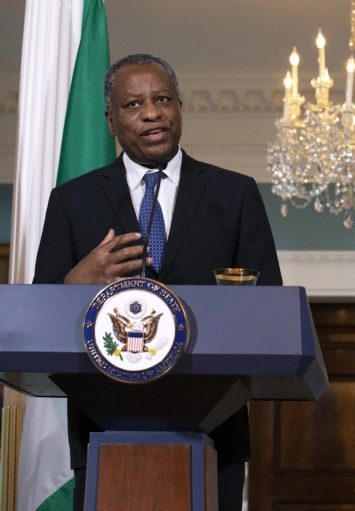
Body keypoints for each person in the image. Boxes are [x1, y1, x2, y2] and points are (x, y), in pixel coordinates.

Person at [33, 53, 282, 510]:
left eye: (163, 98)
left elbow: (270, 308)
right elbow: (35, 320)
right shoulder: (73, 201)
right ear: (111, 120)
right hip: (102, 424)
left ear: (179, 107)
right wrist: (75, 283)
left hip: (214, 429)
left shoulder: (235, 193)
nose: (152, 112)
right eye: (133, 104)